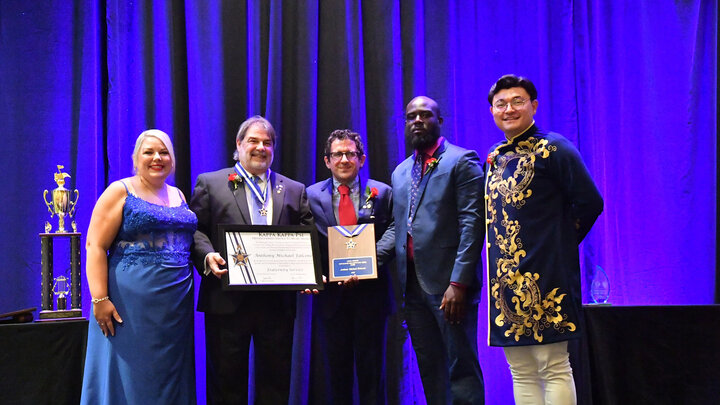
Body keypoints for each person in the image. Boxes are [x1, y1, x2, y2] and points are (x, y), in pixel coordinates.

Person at [485, 74, 603, 405]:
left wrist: (561, 244)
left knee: (553, 365)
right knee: (520, 368)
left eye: (517, 101)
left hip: (548, 275)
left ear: (533, 106)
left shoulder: (554, 148)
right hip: (506, 281)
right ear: (492, 111)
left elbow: (591, 202)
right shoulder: (495, 157)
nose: (509, 109)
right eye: (501, 103)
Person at [189, 115, 313, 405]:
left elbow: (307, 237)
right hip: (227, 299)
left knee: (276, 380)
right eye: (254, 141)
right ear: (239, 144)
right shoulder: (211, 183)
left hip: (277, 302)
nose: (260, 148)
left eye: (267, 143)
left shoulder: (293, 189)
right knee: (225, 381)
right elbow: (194, 229)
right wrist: (207, 256)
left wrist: (310, 274)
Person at [378, 96, 485, 404]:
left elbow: (472, 225)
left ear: (440, 121)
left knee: (460, 368)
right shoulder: (400, 173)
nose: (418, 121)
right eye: (411, 116)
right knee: (430, 369)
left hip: (450, 288)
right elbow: (398, 229)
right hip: (412, 287)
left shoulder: (462, 161)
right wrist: (362, 261)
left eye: (426, 115)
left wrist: (458, 283)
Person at [81, 129, 197, 404]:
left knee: (169, 374)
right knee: (132, 374)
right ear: (136, 158)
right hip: (129, 306)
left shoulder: (178, 194)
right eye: (149, 152)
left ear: (173, 159)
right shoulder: (120, 191)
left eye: (164, 152)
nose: (157, 157)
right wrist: (100, 299)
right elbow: (95, 246)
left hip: (175, 307)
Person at [306, 129, 394, 404]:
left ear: (362, 159)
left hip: (371, 295)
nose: (344, 159)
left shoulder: (381, 193)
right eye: (337, 154)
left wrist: (371, 261)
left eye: (350, 154)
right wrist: (312, 272)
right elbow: (304, 236)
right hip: (330, 297)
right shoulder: (309, 195)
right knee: (336, 373)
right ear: (327, 161)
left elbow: (394, 229)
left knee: (372, 372)